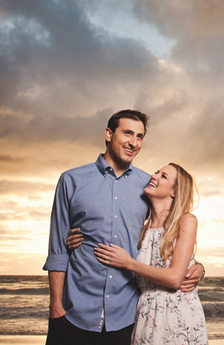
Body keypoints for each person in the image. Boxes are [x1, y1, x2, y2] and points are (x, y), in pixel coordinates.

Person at [43, 109, 204, 345]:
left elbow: (169, 232)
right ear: (109, 134)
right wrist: (56, 307)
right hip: (75, 313)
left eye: (139, 137)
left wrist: (197, 266)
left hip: (127, 317)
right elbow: (57, 251)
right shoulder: (71, 180)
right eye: (128, 133)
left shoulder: (146, 186)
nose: (134, 142)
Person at [94, 163, 207, 345]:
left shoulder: (185, 221)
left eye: (163, 176)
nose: (153, 176)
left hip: (177, 316)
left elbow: (175, 278)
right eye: (156, 172)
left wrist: (128, 263)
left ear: (174, 192)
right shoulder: (142, 228)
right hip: (145, 316)